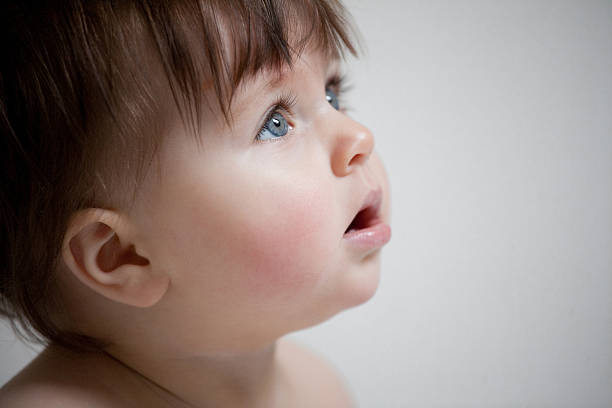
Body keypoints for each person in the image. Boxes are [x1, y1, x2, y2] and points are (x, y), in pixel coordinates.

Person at [0, 0, 391, 406]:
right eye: (274, 122)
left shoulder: (315, 385)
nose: (359, 137)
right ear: (123, 255)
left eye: (332, 94)